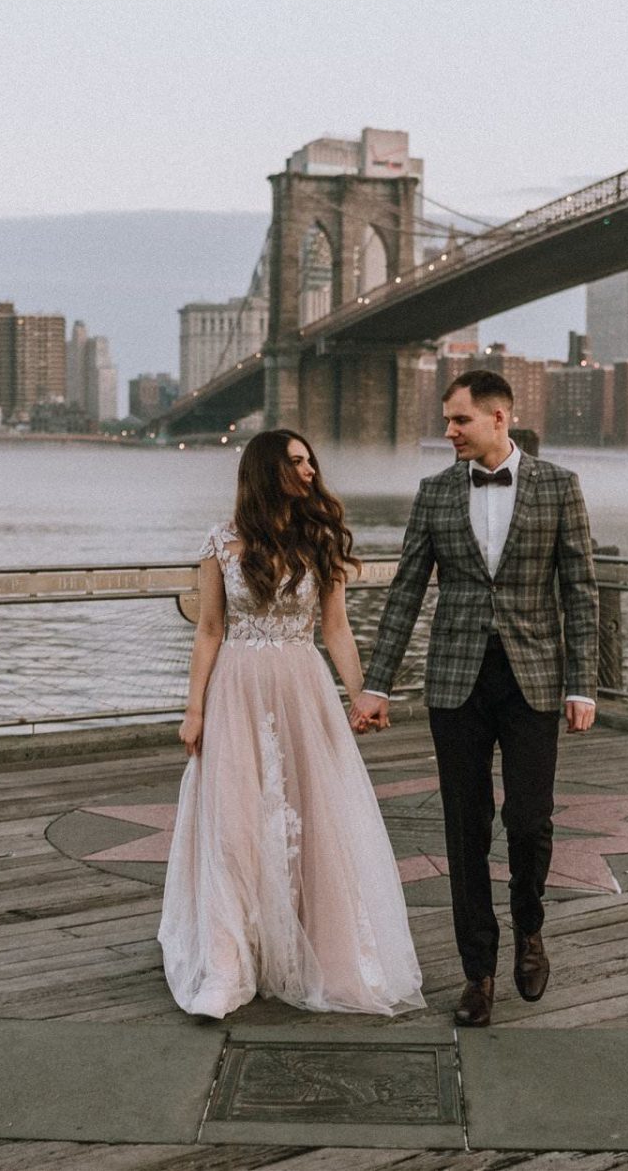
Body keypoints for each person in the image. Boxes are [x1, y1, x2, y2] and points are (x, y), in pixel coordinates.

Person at [351, 370, 598, 1028]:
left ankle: (530, 927)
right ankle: (478, 975)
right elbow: (405, 591)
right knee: (464, 828)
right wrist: (375, 683)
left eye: (459, 420)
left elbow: (580, 590)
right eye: (447, 420)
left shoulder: (559, 486)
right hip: (455, 681)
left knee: (529, 819)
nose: (448, 431)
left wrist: (582, 684)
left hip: (534, 680)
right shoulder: (434, 493)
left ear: (498, 417)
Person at [159, 429, 424, 1019]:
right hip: (236, 689)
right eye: (296, 462)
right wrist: (194, 708)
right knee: (234, 823)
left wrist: (363, 695)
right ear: (265, 471)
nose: (309, 471)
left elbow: (335, 629)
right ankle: (226, 967)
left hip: (302, 689)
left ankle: (316, 950)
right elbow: (208, 630)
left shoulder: (319, 538)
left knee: (311, 815)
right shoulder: (221, 543)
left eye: (310, 461)